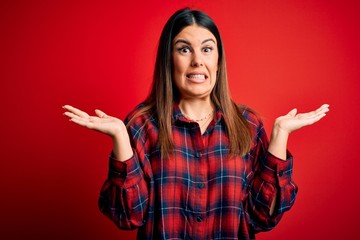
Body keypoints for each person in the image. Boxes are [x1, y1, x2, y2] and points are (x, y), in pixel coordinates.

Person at [63, 8, 329, 240]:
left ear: (218, 60)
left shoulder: (248, 125)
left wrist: (280, 135)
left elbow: (262, 218)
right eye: (184, 49)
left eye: (206, 49)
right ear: (169, 59)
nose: (197, 61)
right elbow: (128, 218)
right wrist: (120, 137)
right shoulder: (142, 125)